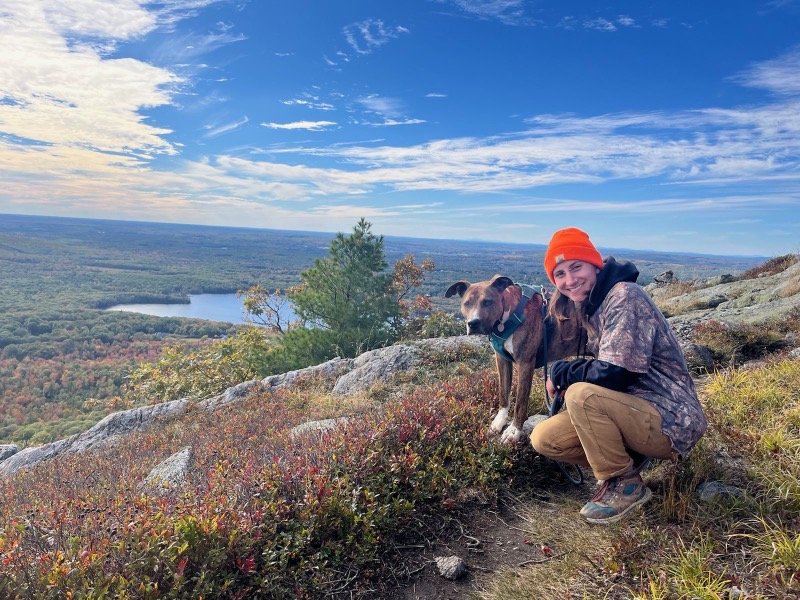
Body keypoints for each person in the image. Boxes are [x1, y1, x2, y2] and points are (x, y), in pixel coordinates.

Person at [530, 227, 707, 524]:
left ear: (594, 264)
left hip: (671, 419)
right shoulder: (591, 305)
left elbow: (616, 374)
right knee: (545, 438)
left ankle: (624, 484)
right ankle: (629, 459)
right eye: (560, 274)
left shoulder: (624, 296)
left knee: (580, 395)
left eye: (576, 267)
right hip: (633, 409)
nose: (569, 280)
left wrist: (565, 371)